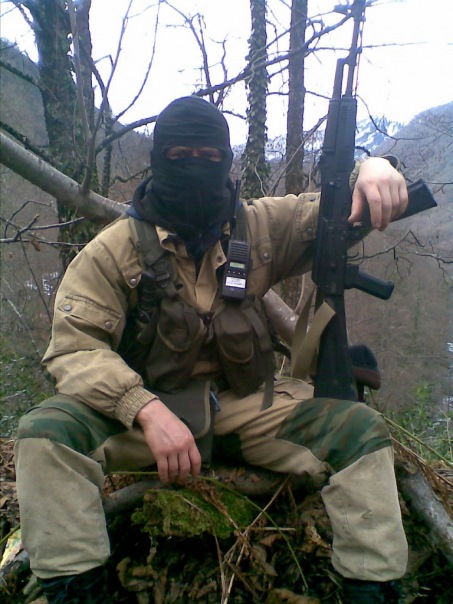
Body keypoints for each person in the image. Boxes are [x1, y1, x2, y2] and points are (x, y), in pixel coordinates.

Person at [15, 96, 409, 603]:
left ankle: (372, 589)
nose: (195, 169)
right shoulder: (113, 251)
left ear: (227, 161)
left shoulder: (258, 227)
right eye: (180, 157)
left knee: (360, 433)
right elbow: (74, 349)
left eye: (210, 157)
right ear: (157, 162)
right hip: (144, 421)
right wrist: (143, 408)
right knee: (46, 435)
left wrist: (374, 167)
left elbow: (336, 210)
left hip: (248, 406)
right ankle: (76, 591)